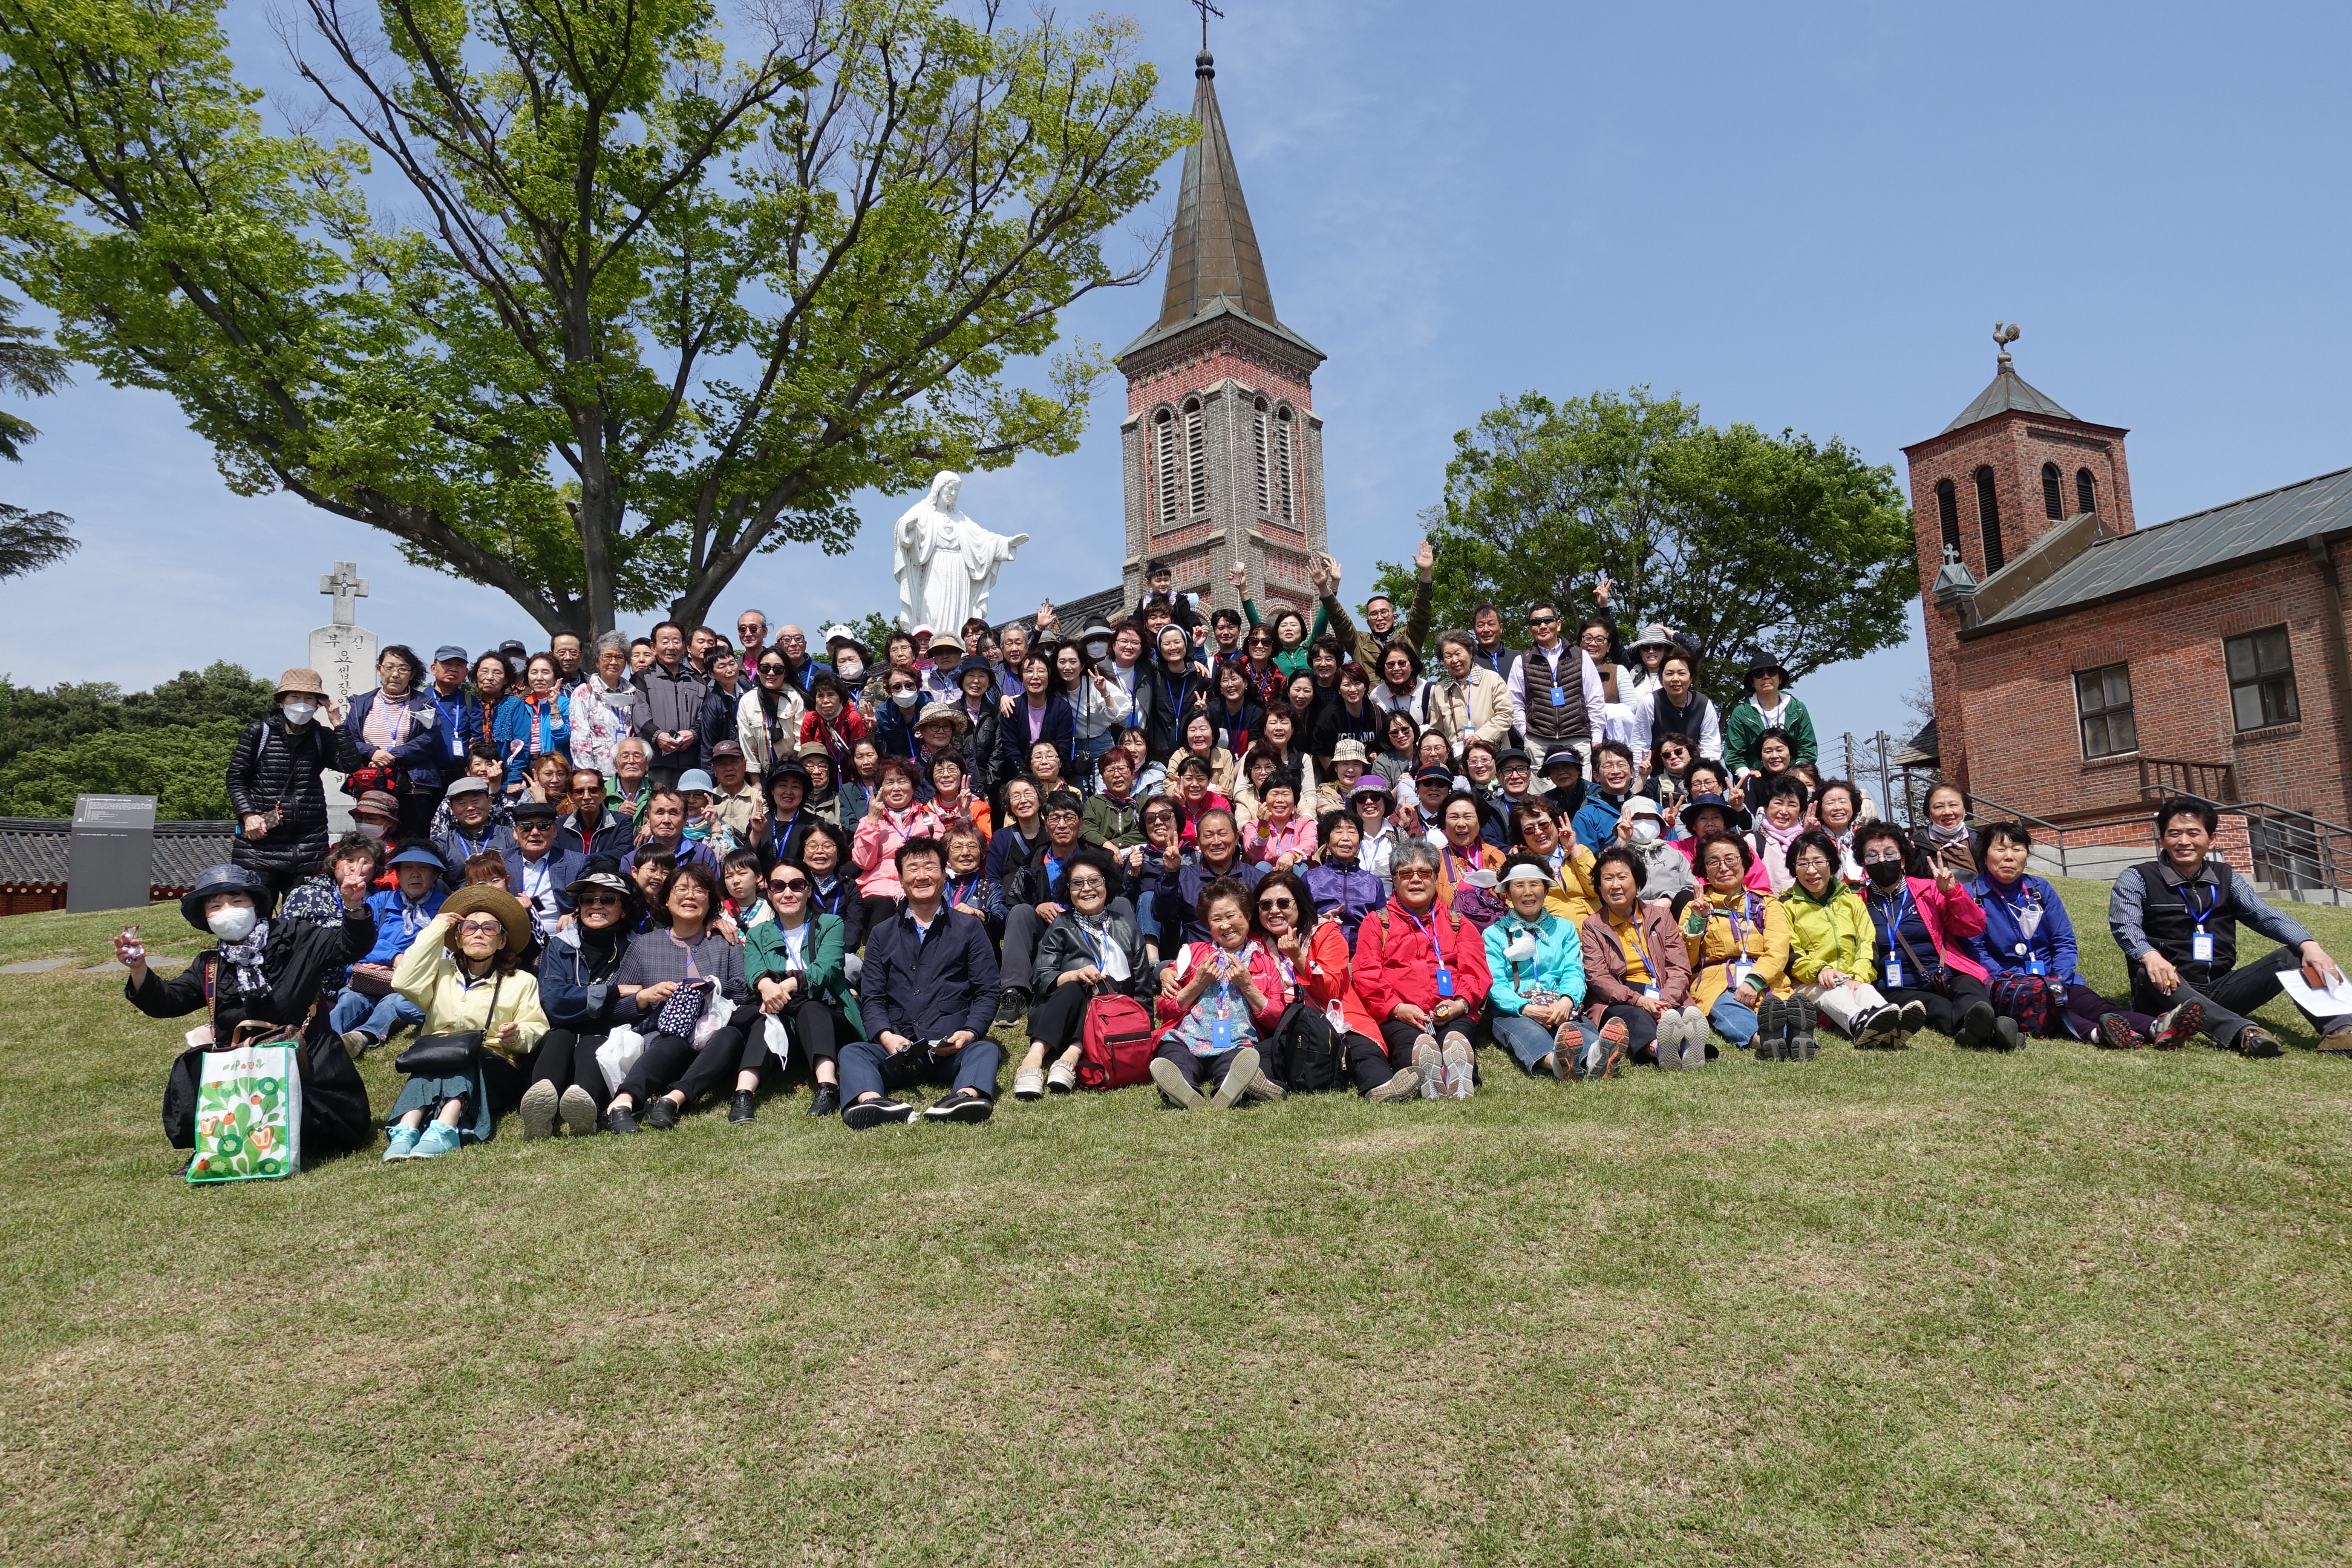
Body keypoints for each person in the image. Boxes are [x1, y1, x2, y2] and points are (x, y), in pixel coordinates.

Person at [122, 860, 377, 1163]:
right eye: (215, 906)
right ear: (205, 918)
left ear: (255, 904)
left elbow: (349, 946)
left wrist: (353, 905)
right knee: (190, 1064)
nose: (227, 910)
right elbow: (166, 1001)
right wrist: (139, 969)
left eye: (237, 901)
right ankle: (216, 1139)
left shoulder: (296, 937)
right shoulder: (210, 966)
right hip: (242, 1066)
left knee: (315, 1130)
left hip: (306, 1060)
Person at [2107, 797, 2352, 1056]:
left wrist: (2309, 945)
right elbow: (2125, 925)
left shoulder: (2225, 877)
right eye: (2174, 834)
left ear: (2211, 840)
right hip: (2164, 989)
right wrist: (2151, 956)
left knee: (2296, 954)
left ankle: (2341, 1029)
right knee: (2148, 973)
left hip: (2218, 988)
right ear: (2162, 840)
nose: (2183, 842)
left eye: (2193, 833)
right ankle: (2245, 1033)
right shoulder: (2138, 877)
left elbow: (2264, 915)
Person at [1966, 820, 2196, 1050]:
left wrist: (2059, 977)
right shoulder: (1971, 895)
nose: (2009, 856)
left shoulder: (2040, 890)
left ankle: (2158, 1027)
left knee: (2095, 1006)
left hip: (2055, 976)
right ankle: (2100, 1033)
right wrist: (2014, 980)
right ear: (1985, 856)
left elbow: (2063, 940)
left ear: (2026, 855)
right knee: (2051, 1009)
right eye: (2000, 849)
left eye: (2017, 849)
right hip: (2010, 984)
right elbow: (1975, 951)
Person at [842, 838, 1004, 1127]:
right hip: (899, 1049)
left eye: (930, 866)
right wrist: (885, 1037)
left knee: (986, 1049)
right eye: (912, 869)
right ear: (901, 880)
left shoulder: (969, 928)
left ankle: (963, 1097)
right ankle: (872, 1101)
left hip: (950, 1047)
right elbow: (873, 997)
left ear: (944, 873)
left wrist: (968, 1033)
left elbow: (987, 992)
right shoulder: (881, 933)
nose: (921, 876)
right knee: (853, 1052)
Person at [381, 886, 549, 1158]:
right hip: (438, 1056)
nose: (479, 933)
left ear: (502, 941)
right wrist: (437, 928)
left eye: (489, 928)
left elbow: (536, 1026)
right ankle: (406, 1130)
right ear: (458, 939)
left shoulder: (521, 980)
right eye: (470, 927)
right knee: (432, 1061)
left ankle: (445, 1128)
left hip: (494, 1066)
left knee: (467, 1058)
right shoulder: (440, 973)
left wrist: (516, 1034)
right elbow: (403, 981)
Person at [599, 864, 755, 1131]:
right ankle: (621, 1104)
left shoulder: (724, 942)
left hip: (712, 1046)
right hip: (662, 1044)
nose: (690, 896)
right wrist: (644, 997)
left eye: (699, 891)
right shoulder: (644, 945)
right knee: (673, 1043)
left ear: (711, 902)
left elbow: (745, 991)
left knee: (731, 1036)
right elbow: (613, 1009)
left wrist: (714, 986)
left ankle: (671, 1101)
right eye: (681, 889)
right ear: (667, 899)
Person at [1351, 840, 1492, 1099]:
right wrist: (1397, 1008)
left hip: (1452, 1009)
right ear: (1394, 880)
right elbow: (1366, 975)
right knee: (1411, 1043)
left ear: (1436, 878)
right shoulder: (1376, 923)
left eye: (1424, 873)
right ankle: (1430, 1072)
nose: (1415, 880)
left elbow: (1477, 972)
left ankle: (1456, 1072)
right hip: (1400, 1014)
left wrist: (1460, 1004)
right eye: (1406, 873)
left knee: (1456, 1036)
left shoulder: (1457, 921)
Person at [1854, 819, 2007, 1050]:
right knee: (1932, 1006)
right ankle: (1988, 1031)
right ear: (1864, 863)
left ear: (1903, 859)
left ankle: (1978, 1025)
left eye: (1890, 853)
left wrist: (1952, 894)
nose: (1882, 860)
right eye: (1872, 855)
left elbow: (1972, 927)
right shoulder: (1859, 903)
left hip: (1944, 972)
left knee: (1969, 988)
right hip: (1899, 985)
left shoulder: (1930, 889)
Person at [1011, 848, 1148, 1099]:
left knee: (1100, 994)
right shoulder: (1062, 925)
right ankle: (1034, 1058)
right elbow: (1041, 976)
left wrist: (1142, 1027)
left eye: (1094, 881)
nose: (1087, 889)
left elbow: (1141, 984)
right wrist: (1073, 975)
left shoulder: (1127, 926)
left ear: (1107, 883)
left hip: (1110, 1017)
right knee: (1078, 987)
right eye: (1077, 883)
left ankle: (1071, 1056)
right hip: (1063, 1012)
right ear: (1068, 890)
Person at [520, 866, 639, 1137]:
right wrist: (612, 992)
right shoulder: (560, 945)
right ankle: (540, 1109)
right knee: (560, 1036)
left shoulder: (638, 946)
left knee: (594, 1040)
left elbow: (636, 1002)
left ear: (624, 908)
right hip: (563, 1028)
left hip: (607, 1032)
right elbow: (553, 1001)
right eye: (588, 899)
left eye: (607, 899)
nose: (596, 906)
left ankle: (585, 1103)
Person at [227, 668, 370, 893]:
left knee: (302, 919)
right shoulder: (258, 732)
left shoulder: (321, 736)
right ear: (282, 701)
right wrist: (248, 815)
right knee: (256, 917)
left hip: (309, 843)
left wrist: (338, 724)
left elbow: (350, 765)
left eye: (309, 698)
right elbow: (236, 777)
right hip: (261, 842)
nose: (302, 704)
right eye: (295, 697)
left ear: (318, 704)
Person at [744, 856, 864, 1119]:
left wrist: (785, 985)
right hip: (783, 1018)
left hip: (830, 1016)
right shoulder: (757, 933)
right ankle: (742, 1095)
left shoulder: (830, 924)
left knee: (810, 1007)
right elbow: (753, 970)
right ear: (769, 892)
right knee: (765, 1020)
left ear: (808, 889)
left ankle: (827, 1086)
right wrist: (765, 985)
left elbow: (827, 968)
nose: (788, 893)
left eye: (797, 885)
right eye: (778, 886)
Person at [1150, 877, 1283, 1109]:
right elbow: (1164, 1009)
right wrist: (1198, 983)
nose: (1225, 925)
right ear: (1207, 925)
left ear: (1248, 916)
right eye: (1216, 919)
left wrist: (1248, 985)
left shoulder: (1265, 959)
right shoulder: (1191, 954)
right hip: (1188, 1038)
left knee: (1236, 1063)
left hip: (1237, 1041)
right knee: (1175, 1054)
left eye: (1231, 916)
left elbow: (1276, 1018)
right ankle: (1182, 1089)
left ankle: (1228, 1089)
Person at [1486, 852, 1617, 1081]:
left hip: (1557, 1002)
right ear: (1507, 893)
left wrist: (1566, 1000)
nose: (1528, 892)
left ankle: (1594, 1057)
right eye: (1519, 886)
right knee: (1528, 1032)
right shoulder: (1494, 934)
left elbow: (1573, 971)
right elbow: (1495, 983)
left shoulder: (1564, 929)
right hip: (1515, 1009)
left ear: (1546, 890)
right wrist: (1524, 1007)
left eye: (1535, 884)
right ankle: (1555, 1062)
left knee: (1578, 1029)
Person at [1779, 828, 1912, 1049]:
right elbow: (1790, 954)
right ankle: (1860, 1025)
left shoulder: (1852, 901)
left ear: (1831, 863)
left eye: (1818, 862)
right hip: (1809, 983)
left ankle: (1893, 1026)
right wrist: (1821, 971)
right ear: (1794, 869)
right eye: (1802, 864)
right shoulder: (1785, 906)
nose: (1811, 871)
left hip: (1851, 979)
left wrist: (1857, 977)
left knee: (1866, 990)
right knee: (1833, 990)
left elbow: (1867, 944)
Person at [1580, 845, 1705, 1069]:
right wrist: (1639, 1000)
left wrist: (1666, 999)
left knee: (1681, 1014)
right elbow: (1598, 977)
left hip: (1663, 989)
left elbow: (1679, 966)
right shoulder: (1592, 925)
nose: (1615, 885)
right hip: (1622, 994)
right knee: (1634, 1016)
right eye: (1607, 879)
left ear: (1638, 883)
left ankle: (1688, 1048)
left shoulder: (1661, 916)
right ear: (1599, 887)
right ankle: (1659, 1049)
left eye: (1622, 877)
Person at [1681, 832, 1801, 1056]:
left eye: (1730, 859)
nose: (1723, 867)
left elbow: (1778, 948)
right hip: (1716, 982)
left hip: (1764, 976)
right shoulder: (1694, 907)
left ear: (1744, 862)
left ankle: (1797, 1037)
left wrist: (1755, 981)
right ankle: (1764, 1040)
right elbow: (1687, 961)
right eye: (1713, 861)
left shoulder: (1767, 904)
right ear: (1704, 869)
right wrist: (1698, 920)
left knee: (1777, 1004)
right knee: (1727, 1008)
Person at [327, 844, 449, 1056]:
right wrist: (393, 957)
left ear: (435, 874)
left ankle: (362, 1036)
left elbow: (444, 953)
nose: (415, 874)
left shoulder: (447, 908)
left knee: (393, 1003)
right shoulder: (379, 902)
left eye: (423, 868)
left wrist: (405, 967)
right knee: (350, 1000)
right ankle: (323, 1040)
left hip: (409, 982)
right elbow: (359, 940)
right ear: (398, 873)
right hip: (369, 976)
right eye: (408, 868)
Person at [342, 644, 444, 838]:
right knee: (371, 838)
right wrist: (372, 753)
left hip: (413, 782)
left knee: (411, 838)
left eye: (403, 669)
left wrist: (392, 755)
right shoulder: (361, 704)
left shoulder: (424, 704)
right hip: (373, 779)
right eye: (389, 667)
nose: (395, 674)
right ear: (379, 669)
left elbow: (429, 739)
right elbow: (349, 738)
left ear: (412, 674)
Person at [1507, 599, 1606, 767]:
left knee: (1580, 792)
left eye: (1548, 620)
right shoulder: (1522, 661)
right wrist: (1526, 735)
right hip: (1538, 742)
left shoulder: (1580, 656)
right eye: (1536, 623)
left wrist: (1596, 737)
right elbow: (1515, 703)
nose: (1543, 626)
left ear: (1558, 624)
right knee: (1540, 794)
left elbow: (1594, 699)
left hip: (1577, 738)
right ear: (1530, 630)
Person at [635, 621, 711, 784]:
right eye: (665, 642)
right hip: (655, 762)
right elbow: (639, 714)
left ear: (684, 646)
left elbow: (707, 714)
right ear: (654, 647)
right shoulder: (643, 679)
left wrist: (693, 733)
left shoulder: (698, 681)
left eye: (676, 641)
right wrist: (658, 736)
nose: (671, 647)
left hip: (691, 763)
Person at [501, 800, 587, 944]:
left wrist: (575, 914)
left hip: (560, 938)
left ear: (554, 830)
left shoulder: (577, 862)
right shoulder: (500, 862)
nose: (535, 832)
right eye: (526, 827)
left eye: (543, 826)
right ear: (516, 832)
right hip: (512, 937)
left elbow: (591, 899)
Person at [1507, 799, 1604, 925]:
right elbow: (1514, 907)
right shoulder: (1521, 865)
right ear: (1522, 835)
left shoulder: (1580, 851)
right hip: (1550, 935)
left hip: (1592, 932)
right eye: (1529, 829)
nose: (1538, 832)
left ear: (1556, 824)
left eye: (1543, 825)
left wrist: (1573, 848)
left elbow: (1596, 889)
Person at [1723, 651, 1818, 781]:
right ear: (1752, 682)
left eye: (1772, 672)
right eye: (1759, 674)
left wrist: (1796, 773)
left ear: (1780, 678)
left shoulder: (1798, 708)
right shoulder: (1741, 712)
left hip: (1794, 779)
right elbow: (1734, 754)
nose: (1766, 677)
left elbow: (1808, 748)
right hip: (1757, 779)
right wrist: (1748, 776)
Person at [491, 653, 570, 795]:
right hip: (526, 767)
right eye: (534, 672)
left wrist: (554, 706)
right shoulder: (523, 706)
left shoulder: (565, 704)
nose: (539, 677)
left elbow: (562, 738)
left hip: (553, 768)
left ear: (555, 677)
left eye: (545, 672)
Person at [1303, 811, 1385, 947]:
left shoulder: (1374, 883)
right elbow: (1301, 919)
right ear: (1328, 842)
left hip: (1364, 950)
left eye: (1352, 832)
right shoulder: (1311, 878)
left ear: (1359, 842)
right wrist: (1321, 920)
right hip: (1322, 948)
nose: (1346, 838)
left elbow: (1382, 924)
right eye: (1338, 832)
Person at [570, 633, 645, 782]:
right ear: (597, 662)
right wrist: (590, 775)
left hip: (627, 775)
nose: (613, 662)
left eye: (619, 657)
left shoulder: (632, 692)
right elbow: (580, 739)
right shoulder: (585, 692)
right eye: (607, 656)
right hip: (597, 775)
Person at [1428, 631, 1512, 759]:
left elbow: (1506, 715)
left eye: (1458, 653)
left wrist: (1480, 737)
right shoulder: (1440, 690)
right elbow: (1438, 730)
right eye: (1448, 656)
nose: (1454, 660)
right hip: (1459, 760)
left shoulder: (1492, 679)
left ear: (1471, 653)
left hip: (1493, 755)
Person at [737, 644, 808, 776]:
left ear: (785, 673)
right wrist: (756, 783)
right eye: (765, 668)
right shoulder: (747, 701)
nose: (771, 673)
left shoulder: (796, 699)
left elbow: (801, 742)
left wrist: (791, 770)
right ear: (758, 671)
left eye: (778, 669)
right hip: (764, 773)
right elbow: (748, 745)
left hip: (793, 770)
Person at [1612, 795, 1695, 908]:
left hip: (1671, 915)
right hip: (1630, 914)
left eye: (1649, 817)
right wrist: (1622, 842)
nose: (1643, 821)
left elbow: (1691, 888)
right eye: (1636, 818)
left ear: (1658, 822)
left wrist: (1669, 899)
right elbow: (1603, 877)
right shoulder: (1617, 852)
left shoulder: (1674, 854)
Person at [1646, 650, 1722, 763]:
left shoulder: (1703, 703)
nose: (1675, 679)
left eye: (1681, 673)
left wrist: (1703, 773)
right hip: (1657, 772)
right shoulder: (1650, 701)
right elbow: (1640, 743)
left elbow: (1710, 747)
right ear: (1661, 678)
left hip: (1694, 772)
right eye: (1669, 674)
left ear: (1691, 678)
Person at [1745, 774, 1811, 897]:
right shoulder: (1753, 842)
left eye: (1792, 805)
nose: (1784, 811)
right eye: (1778, 803)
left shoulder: (1807, 840)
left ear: (1801, 812)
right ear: (1765, 807)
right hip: (1771, 910)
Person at [950, 654, 1006, 795]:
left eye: (982, 676)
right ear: (962, 681)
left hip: (989, 785)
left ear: (989, 683)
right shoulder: (950, 712)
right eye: (970, 675)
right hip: (957, 784)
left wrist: (987, 785)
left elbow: (998, 752)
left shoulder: (996, 713)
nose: (976, 681)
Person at [1241, 770, 1317, 872]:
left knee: (1300, 867)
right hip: (1266, 878)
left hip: (1294, 876)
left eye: (1286, 794)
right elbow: (1254, 854)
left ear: (1295, 800)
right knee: (1262, 866)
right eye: (1274, 794)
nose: (1280, 800)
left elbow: (1310, 844)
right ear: (1264, 800)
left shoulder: (1305, 823)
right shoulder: (1253, 825)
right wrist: (1263, 827)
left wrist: (1291, 855)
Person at [1572, 741, 1639, 852]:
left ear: (1632, 772)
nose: (1616, 771)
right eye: (1608, 766)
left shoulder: (1651, 807)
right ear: (1596, 776)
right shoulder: (1586, 816)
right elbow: (1586, 862)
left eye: (1621, 765)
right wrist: (1619, 844)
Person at [558, 768, 632, 861]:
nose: (587, 797)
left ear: (604, 793)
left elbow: (623, 853)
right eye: (579, 792)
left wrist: (586, 860)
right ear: (571, 797)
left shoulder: (621, 822)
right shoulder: (560, 825)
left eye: (593, 790)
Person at [1910, 782, 1977, 878]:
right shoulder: (1916, 846)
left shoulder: (1982, 842)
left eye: (1953, 805)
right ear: (1929, 812)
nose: (1947, 812)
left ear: (1965, 809)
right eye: (1939, 807)